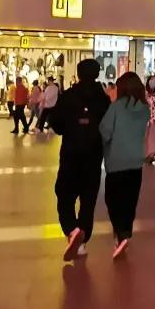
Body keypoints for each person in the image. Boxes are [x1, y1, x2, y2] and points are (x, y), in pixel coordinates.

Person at [49, 58, 110, 260]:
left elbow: (56, 124)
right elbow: (108, 126)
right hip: (94, 155)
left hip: (71, 153)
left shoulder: (68, 95)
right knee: (88, 199)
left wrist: (71, 128)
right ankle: (82, 240)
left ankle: (71, 229)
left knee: (64, 194)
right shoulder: (103, 98)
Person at [100, 72, 148, 259]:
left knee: (113, 199)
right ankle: (125, 232)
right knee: (130, 200)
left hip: (116, 160)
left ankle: (120, 234)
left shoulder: (116, 108)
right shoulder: (144, 109)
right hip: (136, 160)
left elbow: (105, 131)